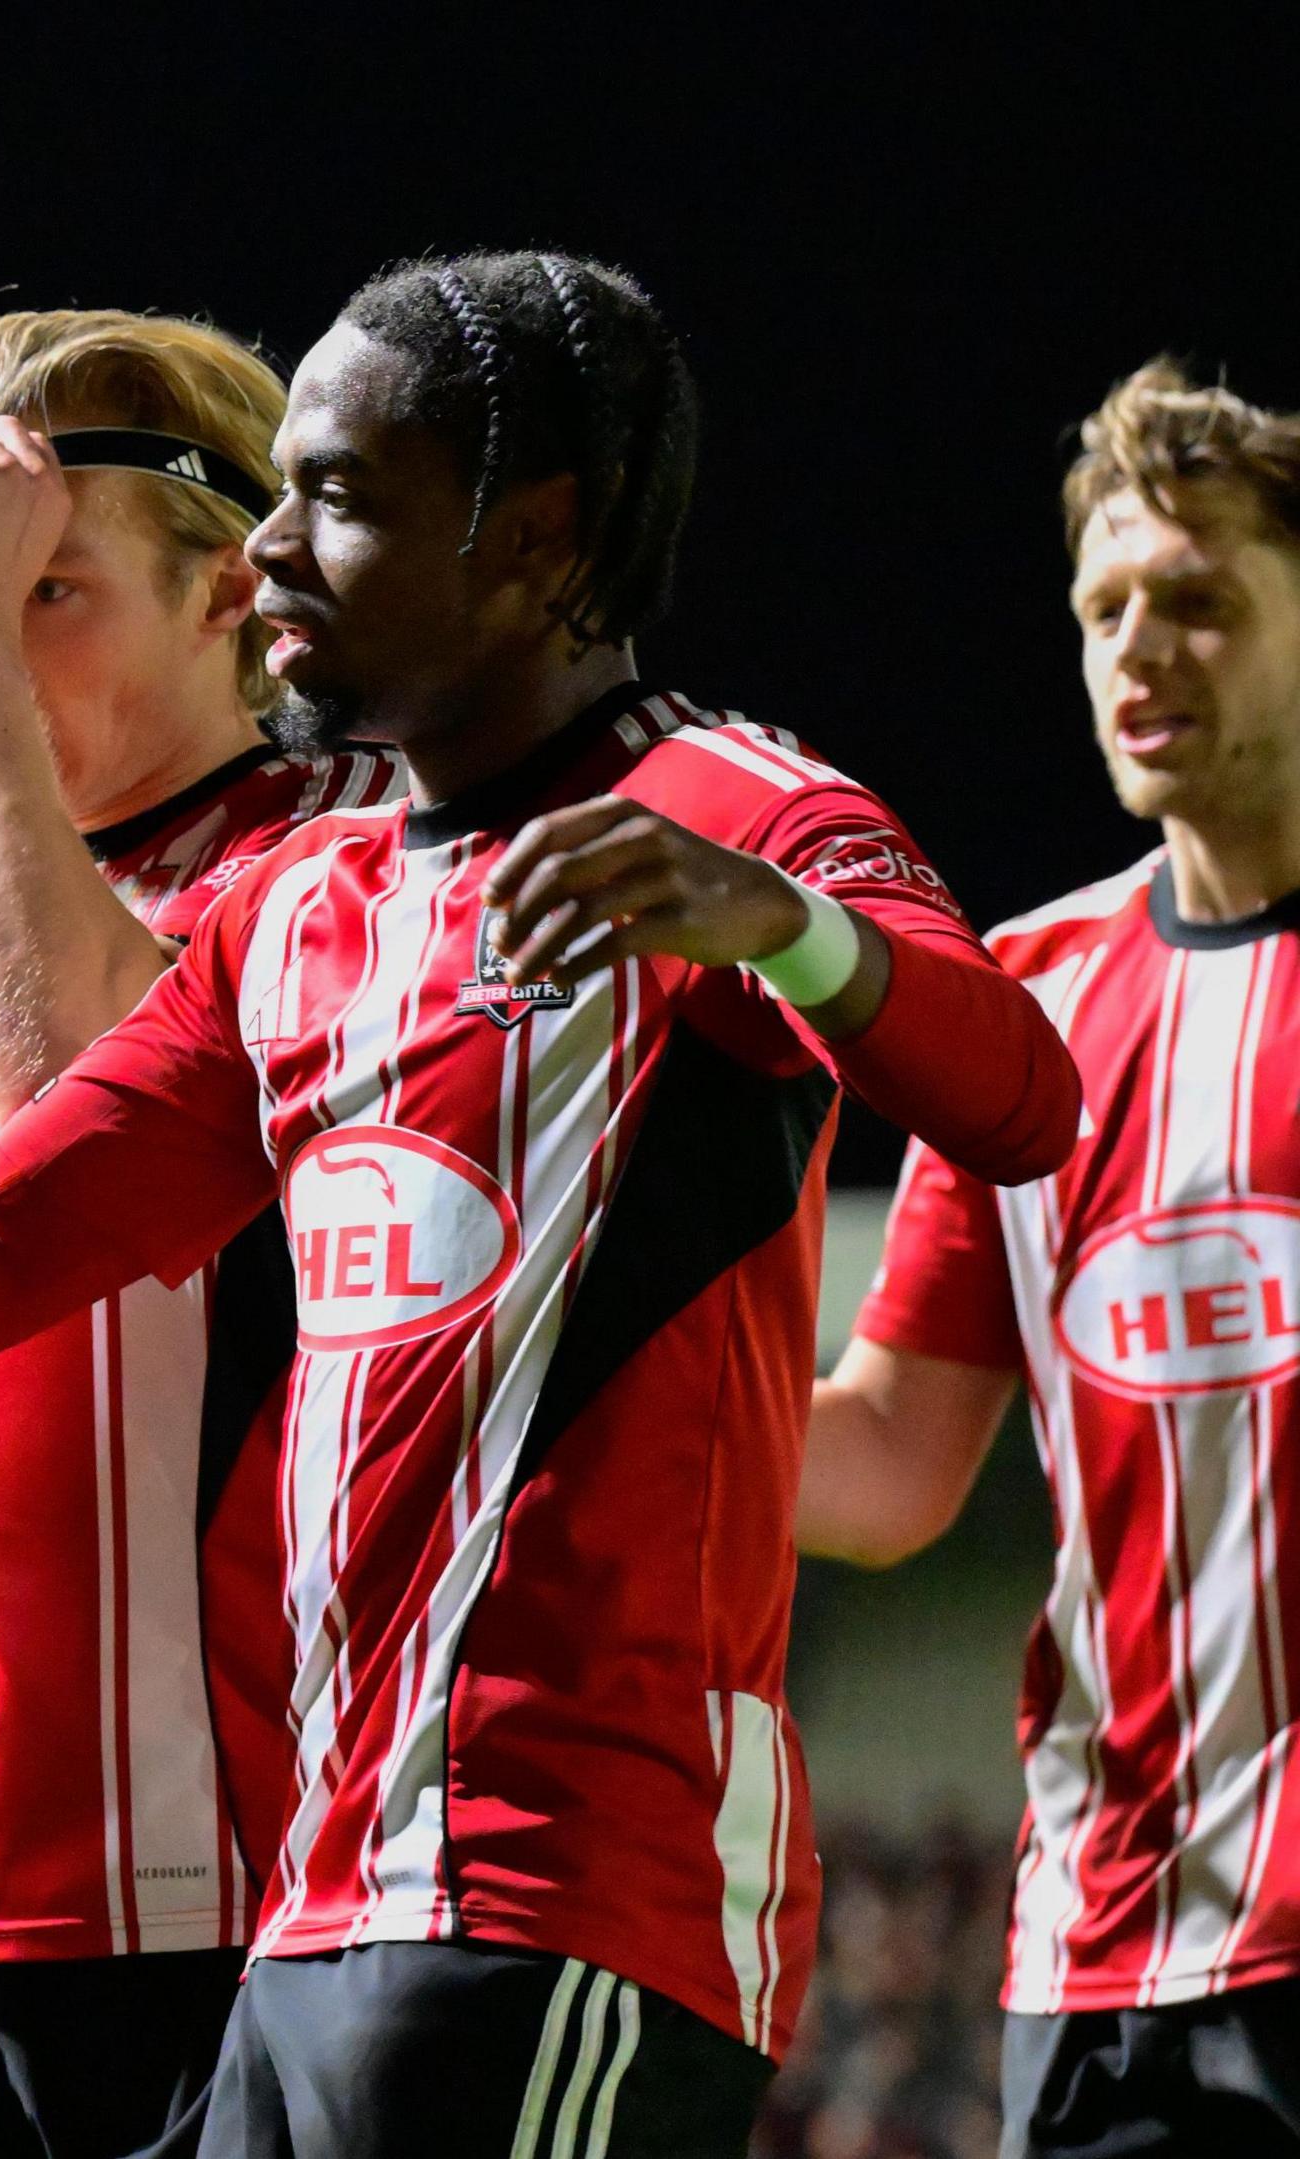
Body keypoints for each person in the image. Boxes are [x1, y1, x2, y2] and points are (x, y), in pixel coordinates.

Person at [0, 251, 1082, 2157]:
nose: (273, 550)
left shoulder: (628, 820)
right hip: (147, 1925)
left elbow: (1016, 1090)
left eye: (44, 577)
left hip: (430, 1902)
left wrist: (787, 933)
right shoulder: (269, 928)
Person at [0, 309, 400, 2159]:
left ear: (230, 594)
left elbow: (59, 1084)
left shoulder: (340, 862)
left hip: (237, 1925)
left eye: (49, 584)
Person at [804, 362, 1300, 2155]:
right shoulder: (1021, 1006)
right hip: (1104, 1949)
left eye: (1202, 602)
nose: (1141, 648)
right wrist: (569, 1383)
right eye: (1107, 608)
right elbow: (886, 1461)